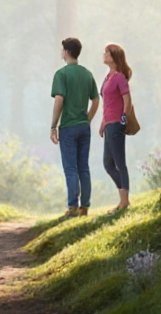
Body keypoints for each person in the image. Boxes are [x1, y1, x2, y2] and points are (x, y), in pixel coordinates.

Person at [50, 37, 99, 217]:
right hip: (84, 127)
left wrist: (53, 126)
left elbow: (59, 100)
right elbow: (96, 100)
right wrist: (87, 119)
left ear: (66, 52)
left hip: (68, 127)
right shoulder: (87, 74)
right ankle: (85, 207)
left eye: (62, 49)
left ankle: (73, 207)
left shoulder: (61, 74)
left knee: (71, 168)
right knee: (83, 167)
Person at [99, 43, 133, 212]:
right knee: (108, 164)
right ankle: (123, 199)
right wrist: (102, 123)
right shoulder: (108, 77)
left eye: (107, 52)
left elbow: (127, 100)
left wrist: (123, 119)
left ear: (114, 57)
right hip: (108, 124)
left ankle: (124, 202)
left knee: (120, 163)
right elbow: (107, 104)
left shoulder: (119, 77)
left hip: (116, 124)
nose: (104, 55)